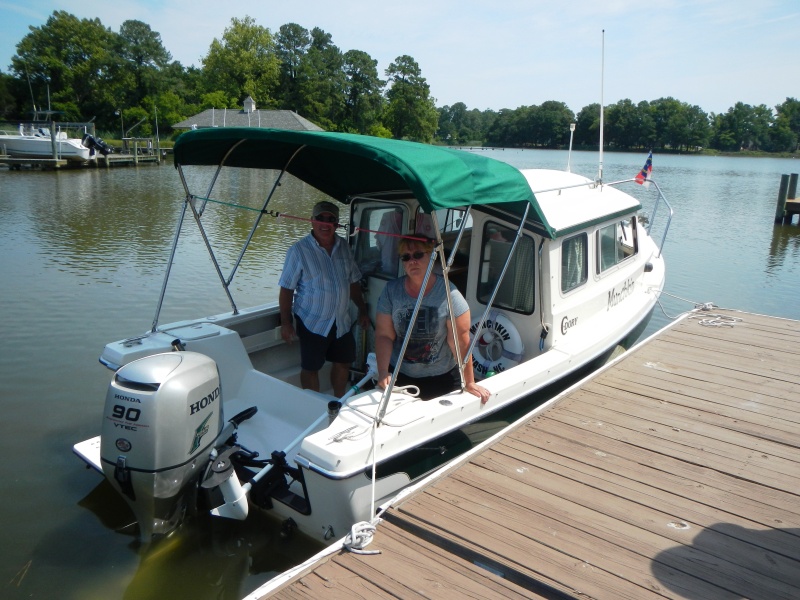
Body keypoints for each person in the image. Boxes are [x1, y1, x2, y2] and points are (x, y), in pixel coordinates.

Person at [374, 237, 491, 404]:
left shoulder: (450, 295)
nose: (412, 261)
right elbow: (384, 335)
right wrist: (383, 372)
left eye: (418, 255)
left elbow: (460, 340)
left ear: (431, 257)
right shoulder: (391, 291)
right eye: (406, 257)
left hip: (442, 378)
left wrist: (470, 382)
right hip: (399, 375)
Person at [279, 200, 370, 397]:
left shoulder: (344, 246)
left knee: (343, 362)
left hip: (341, 321)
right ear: (312, 221)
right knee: (311, 368)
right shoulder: (298, 251)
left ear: (337, 224)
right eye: (320, 218)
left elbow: (353, 282)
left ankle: (339, 401)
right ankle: (314, 407)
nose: (325, 223)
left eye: (331, 220)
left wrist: (362, 310)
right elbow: (286, 289)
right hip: (312, 321)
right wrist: (285, 323)